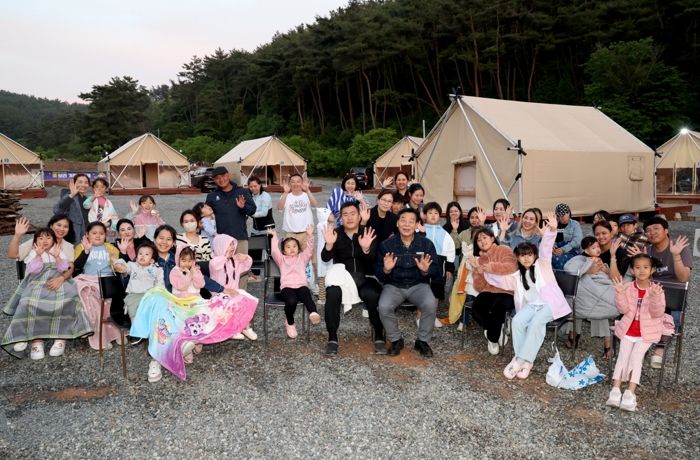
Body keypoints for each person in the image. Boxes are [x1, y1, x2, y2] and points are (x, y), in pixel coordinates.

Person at [496, 212, 571, 379]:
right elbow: (500, 278)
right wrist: (483, 271)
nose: (526, 258)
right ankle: (526, 362)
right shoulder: (517, 274)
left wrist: (552, 231)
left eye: (529, 255)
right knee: (517, 321)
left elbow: (545, 249)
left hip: (550, 304)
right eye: (522, 255)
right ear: (518, 257)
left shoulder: (542, 264)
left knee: (537, 323)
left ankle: (519, 360)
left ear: (534, 255)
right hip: (532, 305)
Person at [2, 227, 92, 359]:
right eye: (41, 238)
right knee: (27, 302)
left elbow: (64, 268)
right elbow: (34, 270)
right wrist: (38, 255)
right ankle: (31, 338)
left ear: (54, 240)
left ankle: (61, 338)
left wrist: (57, 257)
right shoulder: (33, 252)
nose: (44, 241)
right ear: (35, 241)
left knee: (68, 299)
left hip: (59, 281)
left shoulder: (59, 251)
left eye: (48, 238)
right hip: (38, 282)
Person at [376, 208, 441, 358]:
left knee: (431, 304)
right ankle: (396, 340)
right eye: (403, 220)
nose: (407, 224)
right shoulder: (386, 245)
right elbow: (378, 273)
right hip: (394, 285)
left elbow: (436, 271)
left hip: (419, 285)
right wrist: (386, 270)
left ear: (417, 224)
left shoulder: (426, 245)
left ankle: (422, 341)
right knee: (384, 307)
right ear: (397, 223)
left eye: (411, 221)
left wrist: (426, 270)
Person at [606, 254, 666, 412]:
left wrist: (654, 298)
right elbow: (623, 310)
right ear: (632, 270)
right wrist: (619, 293)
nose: (642, 271)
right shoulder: (627, 287)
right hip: (628, 330)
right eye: (637, 267)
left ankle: (629, 392)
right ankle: (615, 390)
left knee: (636, 358)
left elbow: (658, 313)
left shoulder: (656, 290)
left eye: (646, 267)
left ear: (652, 270)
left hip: (647, 333)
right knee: (623, 356)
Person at [321, 202, 380, 355]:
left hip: (364, 277)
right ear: (341, 218)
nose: (349, 217)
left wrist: (365, 248)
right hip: (342, 279)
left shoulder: (367, 233)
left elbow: (373, 259)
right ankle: (332, 338)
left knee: (372, 294)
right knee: (332, 293)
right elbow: (325, 257)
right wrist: (329, 245)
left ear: (359, 216)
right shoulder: (336, 233)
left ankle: (379, 334)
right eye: (345, 214)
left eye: (353, 214)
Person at [634, 216, 692, 368]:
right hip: (653, 293)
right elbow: (643, 280)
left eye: (656, 228)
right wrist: (640, 262)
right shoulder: (647, 250)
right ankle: (641, 345)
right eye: (648, 230)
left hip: (674, 294)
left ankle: (659, 347)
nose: (652, 232)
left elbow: (684, 278)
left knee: (671, 317)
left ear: (666, 230)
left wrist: (676, 255)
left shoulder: (679, 247)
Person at [72, 221, 123, 350]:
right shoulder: (81, 247)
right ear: (87, 234)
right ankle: (101, 336)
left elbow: (118, 267)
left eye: (101, 233)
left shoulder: (110, 248)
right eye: (94, 233)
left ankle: (116, 333)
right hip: (89, 280)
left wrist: (120, 255)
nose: (98, 235)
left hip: (107, 280)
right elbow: (76, 266)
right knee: (92, 299)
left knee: (111, 301)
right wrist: (86, 251)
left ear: (105, 235)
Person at [563, 236, 619, 355]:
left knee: (602, 304)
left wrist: (605, 270)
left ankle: (574, 337)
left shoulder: (601, 260)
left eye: (598, 246)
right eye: (593, 248)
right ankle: (606, 343)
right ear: (586, 250)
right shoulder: (579, 259)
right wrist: (588, 269)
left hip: (599, 289)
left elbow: (608, 277)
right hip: (584, 291)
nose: (597, 249)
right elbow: (569, 269)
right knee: (584, 303)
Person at [205, 166, 257, 289]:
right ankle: (225, 294)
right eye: (217, 178)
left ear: (228, 175)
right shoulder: (212, 196)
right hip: (222, 242)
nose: (221, 179)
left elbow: (252, 210)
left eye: (223, 176)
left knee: (242, 269)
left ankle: (241, 294)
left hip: (240, 237)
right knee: (223, 269)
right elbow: (205, 214)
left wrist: (242, 207)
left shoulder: (242, 192)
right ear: (214, 180)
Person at [469, 227, 517, 355]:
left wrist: (490, 267)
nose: (482, 241)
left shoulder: (504, 249)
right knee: (476, 309)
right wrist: (478, 270)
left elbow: (511, 267)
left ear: (492, 238)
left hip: (506, 291)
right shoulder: (480, 259)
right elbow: (479, 287)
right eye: (479, 240)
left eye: (484, 238)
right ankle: (496, 330)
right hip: (488, 290)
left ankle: (492, 338)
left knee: (498, 309)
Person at [269, 225, 320, 338]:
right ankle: (290, 322)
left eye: (294, 246)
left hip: (301, 286)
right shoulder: (281, 260)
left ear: (298, 248)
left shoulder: (302, 258)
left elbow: (310, 250)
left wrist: (310, 236)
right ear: (283, 250)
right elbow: (274, 251)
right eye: (288, 247)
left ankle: (313, 312)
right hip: (287, 287)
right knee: (292, 300)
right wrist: (274, 237)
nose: (292, 249)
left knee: (307, 295)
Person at [210, 234, 257, 341]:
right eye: (229, 245)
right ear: (220, 246)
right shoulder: (215, 261)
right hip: (220, 294)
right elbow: (215, 265)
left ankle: (245, 327)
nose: (232, 247)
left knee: (246, 301)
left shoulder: (234, 261)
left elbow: (247, 265)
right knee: (233, 303)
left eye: (232, 244)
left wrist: (245, 257)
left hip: (234, 292)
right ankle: (233, 329)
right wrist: (225, 257)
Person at [422, 202, 456, 326]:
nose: (433, 215)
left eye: (436, 213)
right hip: (422, 262)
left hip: (439, 263)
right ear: (424, 215)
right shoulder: (420, 229)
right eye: (430, 213)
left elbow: (450, 250)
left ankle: (432, 316)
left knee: (436, 290)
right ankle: (420, 316)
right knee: (422, 290)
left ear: (439, 216)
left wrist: (449, 268)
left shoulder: (444, 233)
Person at [113, 241, 164, 319]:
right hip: (133, 296)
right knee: (134, 317)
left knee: (150, 315)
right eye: (140, 254)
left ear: (152, 260)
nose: (142, 256)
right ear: (136, 258)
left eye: (146, 254)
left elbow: (160, 284)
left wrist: (157, 293)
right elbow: (124, 266)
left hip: (148, 297)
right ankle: (134, 325)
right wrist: (119, 265)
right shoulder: (132, 266)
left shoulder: (156, 270)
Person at [8, 215, 74, 262]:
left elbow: (69, 268)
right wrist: (17, 235)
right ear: (51, 226)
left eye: (65, 227)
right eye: (59, 225)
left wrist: (61, 277)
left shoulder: (69, 247)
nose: (62, 229)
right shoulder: (37, 242)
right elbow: (12, 255)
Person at [53, 174, 91, 244]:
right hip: (73, 238)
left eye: (86, 182)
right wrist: (71, 195)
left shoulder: (87, 199)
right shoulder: (69, 197)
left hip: (85, 236)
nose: (83, 185)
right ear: (74, 183)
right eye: (80, 182)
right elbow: (57, 211)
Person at [550, 203, 582, 270]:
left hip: (571, 251)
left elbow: (577, 241)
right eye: (558, 216)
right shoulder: (554, 224)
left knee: (559, 260)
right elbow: (550, 238)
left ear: (568, 213)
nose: (560, 218)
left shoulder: (575, 224)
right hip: (556, 250)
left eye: (562, 216)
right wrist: (553, 247)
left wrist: (563, 249)